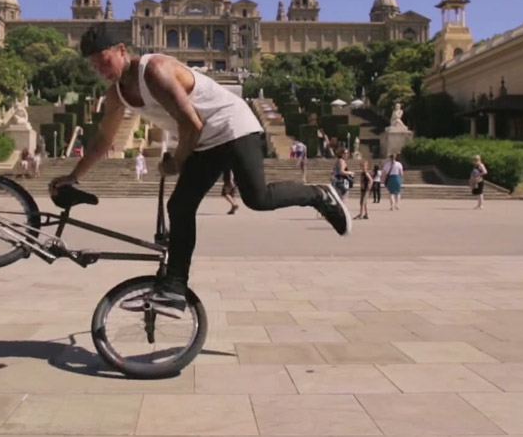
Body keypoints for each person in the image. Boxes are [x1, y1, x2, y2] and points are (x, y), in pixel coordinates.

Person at [50, 26, 350, 312]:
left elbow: (191, 124)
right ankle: (175, 289)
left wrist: (177, 161)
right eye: (94, 66)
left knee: (257, 199)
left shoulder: (154, 70)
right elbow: (104, 139)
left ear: (121, 50)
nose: (101, 70)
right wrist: (73, 177)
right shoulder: (117, 93)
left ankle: (319, 195)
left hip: (234, 128)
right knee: (179, 206)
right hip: (204, 141)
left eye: (104, 61)